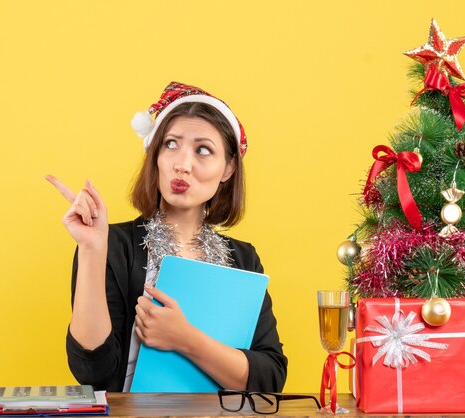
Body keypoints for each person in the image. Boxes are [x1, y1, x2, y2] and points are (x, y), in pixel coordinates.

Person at [46, 82, 287, 393]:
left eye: (203, 150)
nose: (182, 165)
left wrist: (183, 338)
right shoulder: (114, 245)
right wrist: (92, 249)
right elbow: (93, 373)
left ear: (227, 168)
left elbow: (269, 379)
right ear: (155, 155)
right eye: (171, 144)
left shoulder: (243, 259)